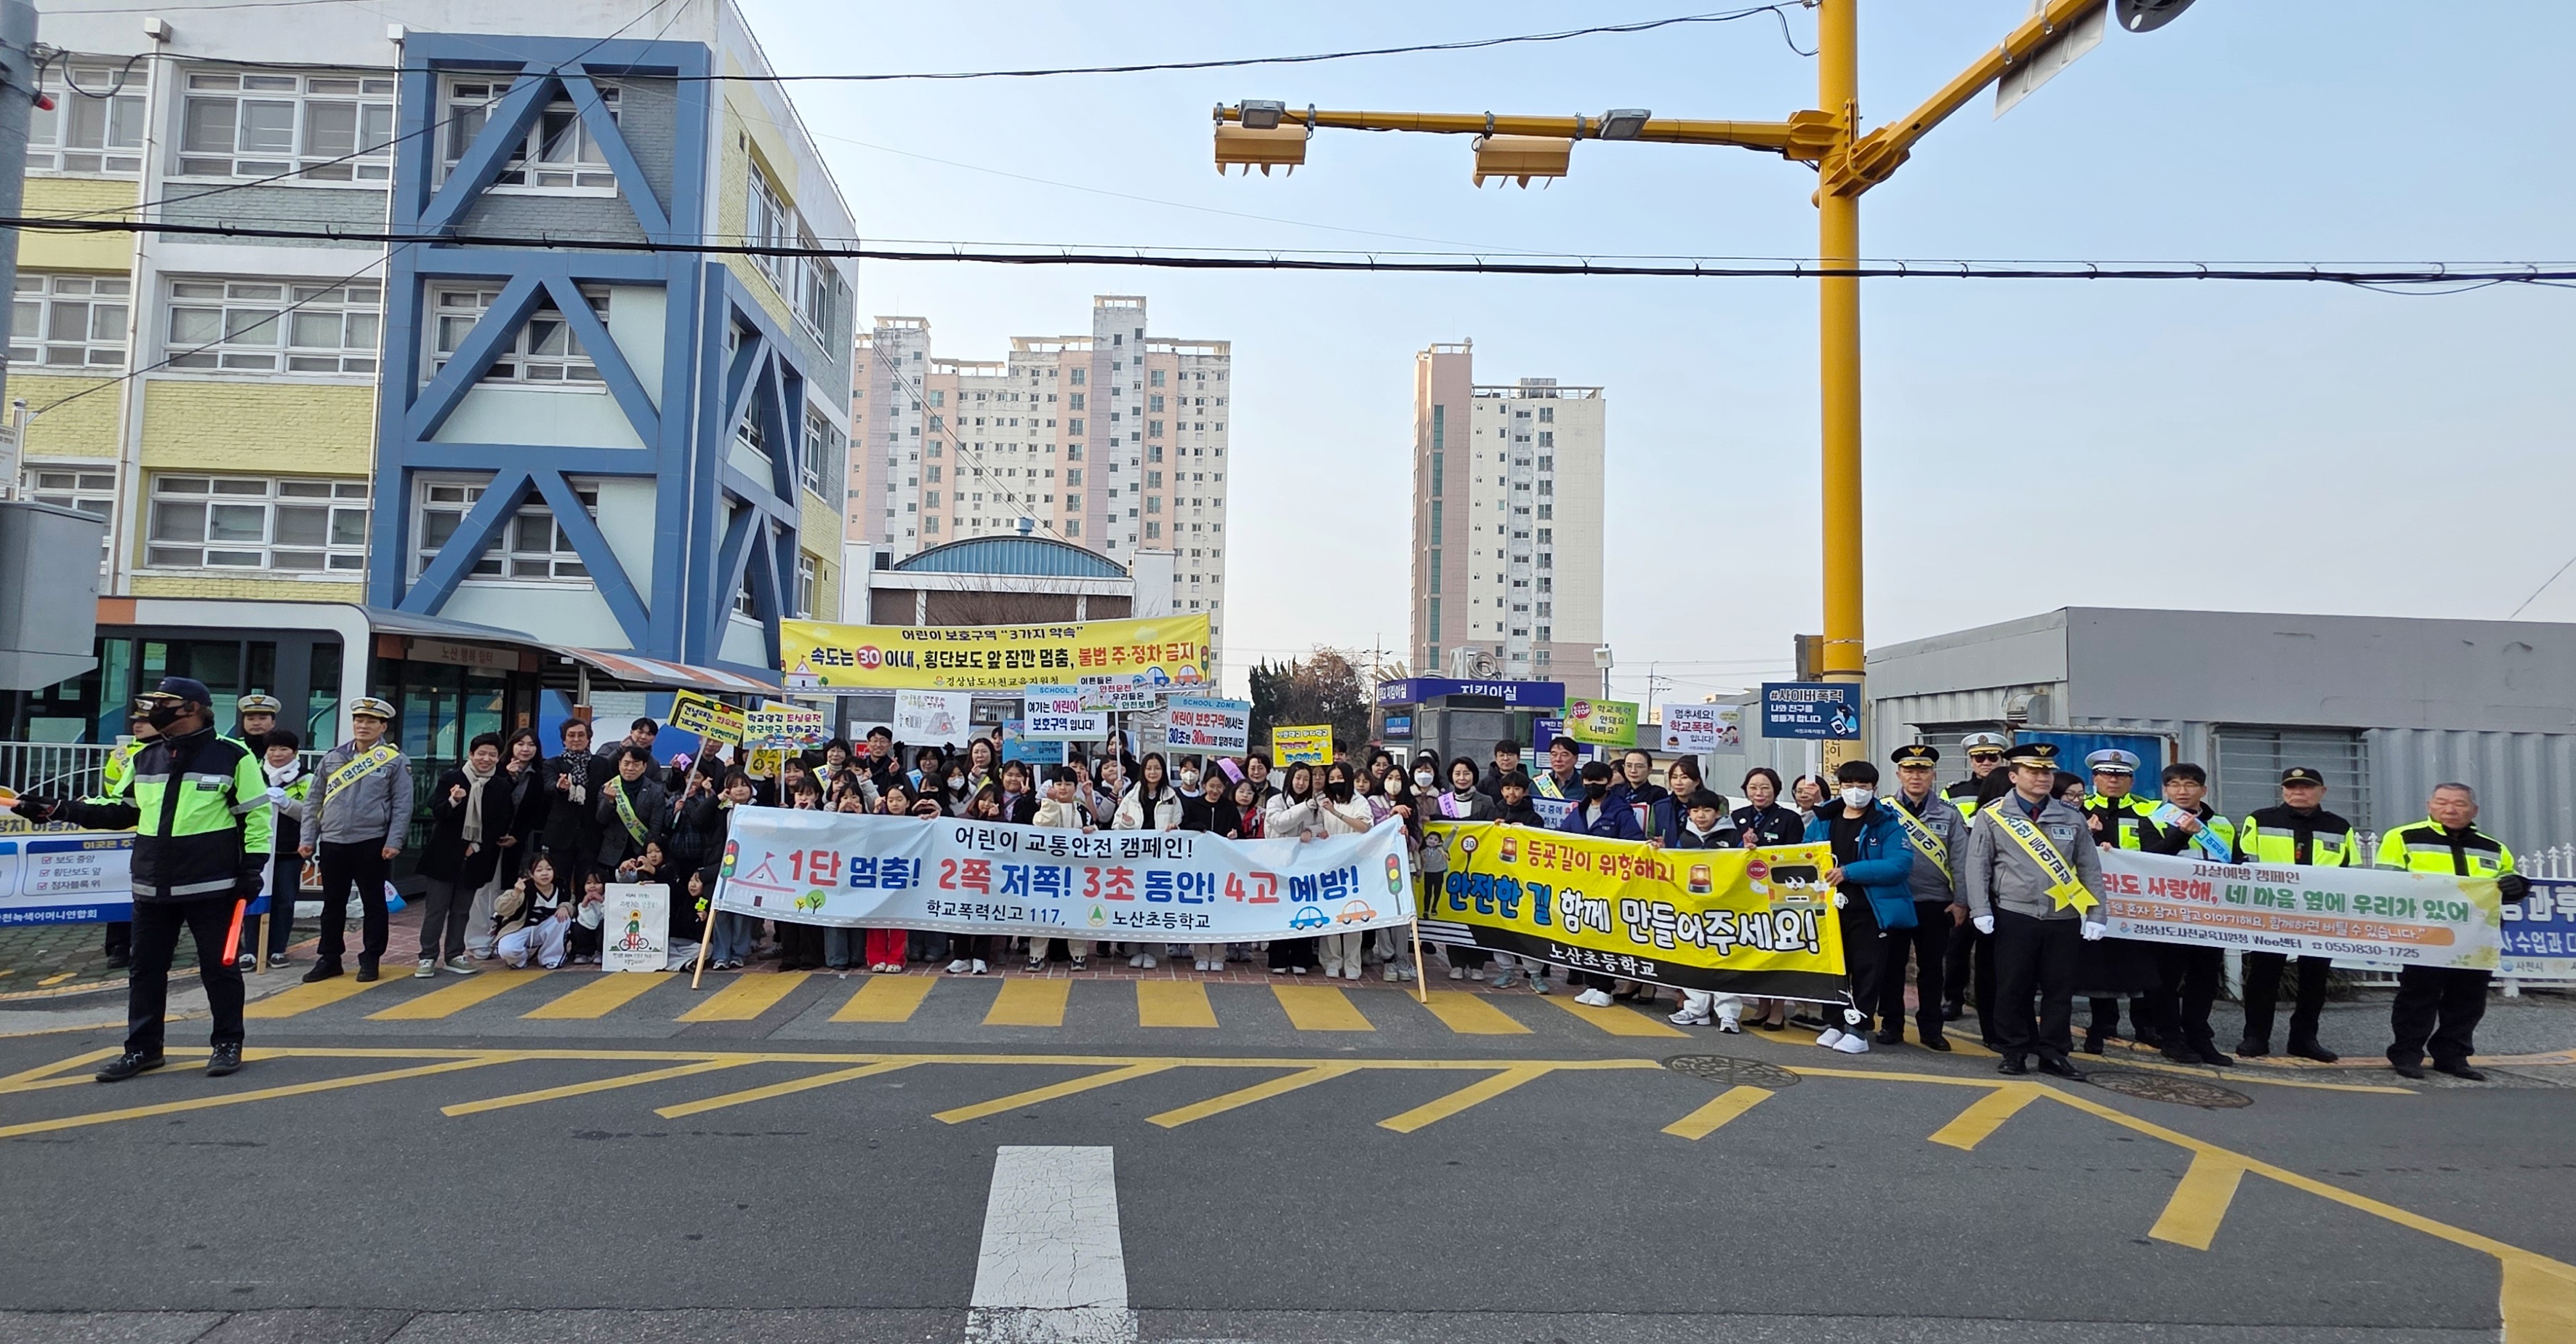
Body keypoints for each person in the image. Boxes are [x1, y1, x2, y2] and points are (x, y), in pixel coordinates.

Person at [25, 676, 268, 1081]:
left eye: (164, 702)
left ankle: (227, 1043)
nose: (153, 708)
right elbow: (120, 811)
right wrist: (59, 810)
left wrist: (252, 870)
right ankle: (143, 1049)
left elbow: (256, 817)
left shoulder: (233, 756)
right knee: (145, 969)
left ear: (192, 708)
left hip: (212, 884)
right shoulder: (146, 757)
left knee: (218, 969)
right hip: (151, 883)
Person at [1958, 741, 2108, 1080]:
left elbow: (2089, 868)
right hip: (2014, 913)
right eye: (2033, 771)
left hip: (2063, 915)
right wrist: (1980, 908)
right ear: (2014, 776)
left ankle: (2054, 1053)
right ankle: (2013, 1050)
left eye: (2047, 771)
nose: (2042, 777)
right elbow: (1978, 864)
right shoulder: (1994, 814)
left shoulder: (2071, 817)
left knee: (2059, 989)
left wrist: (2097, 913)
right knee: (2012, 986)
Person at [2378, 784, 2521, 1081]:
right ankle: (2407, 1055)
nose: (2450, 809)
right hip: (2425, 933)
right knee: (2418, 997)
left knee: (2468, 1000)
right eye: (2442, 802)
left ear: (2474, 810)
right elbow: (2386, 883)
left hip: (2477, 935)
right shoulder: (2403, 837)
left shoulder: (2493, 847)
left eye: (2459, 803)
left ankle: (2452, 1057)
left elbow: (2506, 881)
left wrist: (2517, 886)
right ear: (2430, 805)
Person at [2233, 767, 2354, 1063]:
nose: (2298, 792)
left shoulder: (2340, 826)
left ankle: (2304, 1039)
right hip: (2271, 910)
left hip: (2319, 913)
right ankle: (2256, 1037)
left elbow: (2349, 873)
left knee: (2314, 979)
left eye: (2307, 787)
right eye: (2292, 786)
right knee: (2263, 976)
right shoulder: (2260, 820)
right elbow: (2243, 862)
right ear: (2283, 790)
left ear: (2322, 792)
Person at [1805, 761, 1915, 1055]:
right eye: (1849, 785)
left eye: (1863, 787)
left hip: (1870, 909)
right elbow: (1805, 854)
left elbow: (1899, 865)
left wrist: (1849, 872)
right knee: (1834, 968)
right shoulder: (1824, 819)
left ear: (1874, 789)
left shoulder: (1886, 822)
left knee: (1868, 970)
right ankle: (1834, 1023)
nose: (1855, 792)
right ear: (1839, 787)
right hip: (1830, 908)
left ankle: (1859, 1028)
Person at [300, 697, 411, 984]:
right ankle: (329, 958)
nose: (363, 726)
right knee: (332, 904)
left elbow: (402, 804)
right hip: (333, 841)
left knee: (374, 904)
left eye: (371, 721)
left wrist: (394, 841)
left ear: (383, 726)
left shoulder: (394, 760)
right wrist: (308, 837)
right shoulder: (333, 757)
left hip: (372, 842)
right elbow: (313, 801)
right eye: (359, 720)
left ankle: (371, 958)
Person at [2078, 748, 2170, 1053]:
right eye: (2106, 774)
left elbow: (2160, 852)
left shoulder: (2150, 811)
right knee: (2098, 962)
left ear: (2131, 781)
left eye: (2120, 775)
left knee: (2142, 963)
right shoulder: (2080, 810)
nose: (2113, 780)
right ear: (2095, 778)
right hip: (2094, 899)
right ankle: (2103, 1023)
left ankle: (2146, 1026)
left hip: (2137, 903)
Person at [2146, 763, 2236, 1065]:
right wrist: (2182, 834)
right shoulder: (2153, 820)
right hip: (2169, 914)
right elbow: (2152, 859)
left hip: (2211, 915)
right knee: (2167, 979)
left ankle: (2199, 1036)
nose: (2182, 791)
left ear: (2203, 790)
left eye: (2189, 785)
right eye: (2174, 785)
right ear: (2166, 790)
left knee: (2205, 979)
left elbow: (2236, 865)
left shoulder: (2222, 824)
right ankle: (2171, 1038)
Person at [1882, 745, 1965, 1051]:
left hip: (1935, 903)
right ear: (1899, 774)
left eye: (1922, 770)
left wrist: (1962, 901)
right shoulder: (1884, 810)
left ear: (1933, 774)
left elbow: (1960, 859)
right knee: (1892, 967)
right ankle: (1892, 1024)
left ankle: (1932, 1029)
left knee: (1931, 970)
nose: (1915, 776)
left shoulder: (1950, 814)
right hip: (1894, 900)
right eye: (1909, 770)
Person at [412, 732, 513, 977]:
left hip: (477, 856)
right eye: (481, 753)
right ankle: (427, 957)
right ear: (471, 754)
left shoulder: (500, 784)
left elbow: (502, 821)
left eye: (492, 754)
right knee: (436, 909)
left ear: (498, 757)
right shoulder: (452, 778)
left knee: (461, 910)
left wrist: (477, 846)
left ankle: (455, 955)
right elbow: (437, 811)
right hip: (444, 855)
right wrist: (453, 800)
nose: (486, 759)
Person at [1276, 761, 1377, 980]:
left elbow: (1365, 827)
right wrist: (1315, 832)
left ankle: (1352, 963)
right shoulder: (1323, 800)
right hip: (1328, 865)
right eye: (1331, 779)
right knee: (1329, 912)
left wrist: (1337, 814)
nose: (1335, 782)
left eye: (1339, 778)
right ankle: (1331, 960)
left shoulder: (1360, 802)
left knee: (1353, 914)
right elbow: (1316, 825)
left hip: (1354, 865)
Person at [1561, 760, 1647, 1007]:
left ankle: (1606, 987)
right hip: (1582, 882)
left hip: (1611, 884)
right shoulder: (1578, 811)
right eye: (1587, 781)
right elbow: (1558, 836)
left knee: (1605, 935)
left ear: (1608, 782)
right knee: (1586, 934)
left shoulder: (1620, 811)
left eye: (1597, 781)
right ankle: (1592, 983)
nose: (1591, 786)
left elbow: (1633, 842)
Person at [1732, 767, 1808, 1032]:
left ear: (1776, 789)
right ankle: (1762, 1006)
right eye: (1753, 787)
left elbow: (1796, 856)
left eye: (1765, 787)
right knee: (1758, 950)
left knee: (1779, 952)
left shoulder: (1789, 818)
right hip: (1749, 896)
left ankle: (1778, 1009)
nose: (1759, 793)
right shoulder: (1738, 817)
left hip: (1780, 895)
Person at [1668, 790, 1751, 1031]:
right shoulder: (1684, 838)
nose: (1701, 816)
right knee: (1693, 958)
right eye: (1695, 811)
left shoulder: (1733, 835)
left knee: (1725, 959)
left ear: (1717, 812)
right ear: (1689, 813)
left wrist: (1748, 848)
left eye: (1706, 810)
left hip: (1725, 909)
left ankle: (1728, 1014)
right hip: (1693, 908)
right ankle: (1696, 1010)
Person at [89, 718, 158, 969]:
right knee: (120, 889)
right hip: (125, 829)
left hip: (155, 833)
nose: (138, 726)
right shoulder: (122, 755)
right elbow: (114, 795)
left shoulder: (173, 751)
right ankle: (118, 946)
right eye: (135, 722)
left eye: (145, 722)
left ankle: (158, 946)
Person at [1027, 767, 1097, 972]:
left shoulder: (1082, 810)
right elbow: (1041, 825)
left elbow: (1096, 832)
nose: (1063, 788)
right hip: (1049, 871)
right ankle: (1036, 955)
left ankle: (1078, 953)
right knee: (1044, 913)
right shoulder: (1046, 807)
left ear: (1075, 788)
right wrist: (1049, 803)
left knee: (1076, 912)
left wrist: (1091, 831)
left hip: (1076, 872)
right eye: (1059, 784)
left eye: (1068, 784)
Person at [254, 729, 309, 969]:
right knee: (254, 899)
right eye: (272, 749)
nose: (277, 754)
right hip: (258, 848)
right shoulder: (254, 775)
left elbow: (313, 813)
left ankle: (278, 949)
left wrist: (287, 804)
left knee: (284, 900)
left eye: (284, 749)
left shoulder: (307, 778)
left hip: (289, 851)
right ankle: (250, 950)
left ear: (295, 752)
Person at [541, 719, 602, 888]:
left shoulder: (601, 764)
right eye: (571, 735)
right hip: (561, 833)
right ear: (564, 740)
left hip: (591, 833)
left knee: (588, 881)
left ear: (589, 738)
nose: (576, 739)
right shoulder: (552, 764)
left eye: (581, 735)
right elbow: (548, 786)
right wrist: (560, 787)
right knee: (560, 880)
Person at [594, 745, 669, 879]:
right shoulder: (609, 786)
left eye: (636, 764)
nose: (630, 768)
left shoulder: (655, 791)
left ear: (644, 767)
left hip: (642, 850)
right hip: (613, 853)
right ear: (619, 764)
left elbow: (656, 828)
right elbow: (601, 819)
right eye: (626, 763)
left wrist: (647, 853)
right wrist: (610, 802)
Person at [493, 852, 571, 970]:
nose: (545, 873)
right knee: (507, 950)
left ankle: (550, 958)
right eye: (539, 870)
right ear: (531, 873)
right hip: (520, 928)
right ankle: (520, 959)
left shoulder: (561, 886)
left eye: (549, 869)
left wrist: (565, 907)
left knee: (562, 919)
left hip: (544, 929)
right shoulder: (524, 888)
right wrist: (515, 894)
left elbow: (571, 902)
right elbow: (501, 909)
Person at [1943, 732, 2009, 820]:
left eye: (1992, 758)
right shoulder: (1952, 793)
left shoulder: (2015, 790)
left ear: (2002, 761)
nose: (1986, 763)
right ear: (1971, 762)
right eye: (1980, 758)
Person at [1477, 739, 1525, 804]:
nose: (1505, 759)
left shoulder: (1529, 783)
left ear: (1518, 758)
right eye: (1502, 755)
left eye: (1510, 755)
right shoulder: (1485, 784)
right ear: (1496, 758)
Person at [1533, 737, 1582, 802]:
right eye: (1554, 754)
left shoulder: (1584, 786)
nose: (1558, 759)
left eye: (1564, 755)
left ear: (1576, 758)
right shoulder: (1537, 785)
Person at [234, 692, 280, 757]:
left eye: (262, 718)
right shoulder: (234, 747)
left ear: (273, 722)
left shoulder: (284, 748)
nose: (256, 723)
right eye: (250, 719)